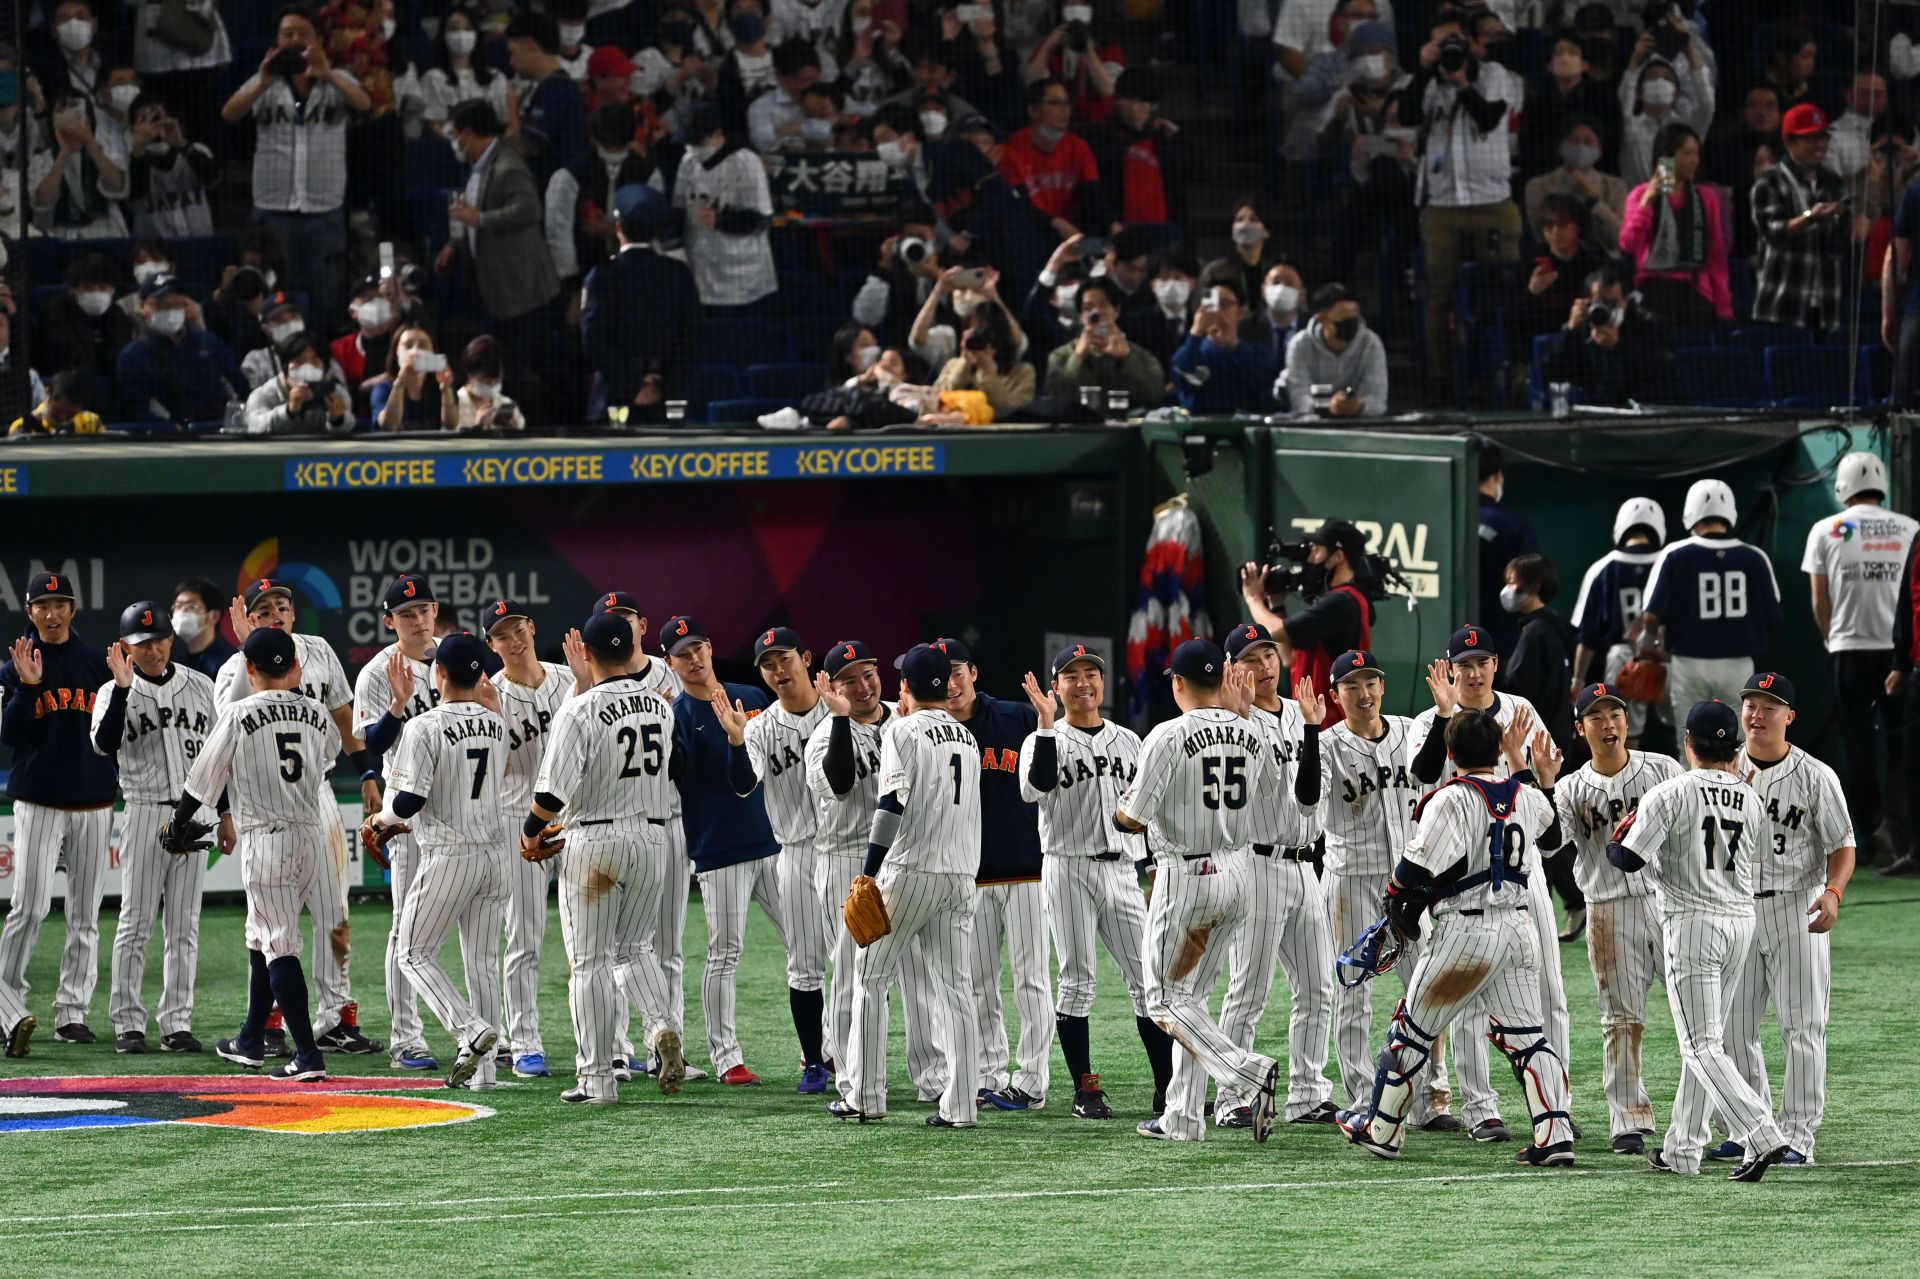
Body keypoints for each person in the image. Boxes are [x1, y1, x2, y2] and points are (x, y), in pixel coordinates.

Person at [1336, 709, 1575, 1166]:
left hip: (1467, 932)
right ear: (1497, 752)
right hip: (1520, 931)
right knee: (1527, 1038)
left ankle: (1381, 1131)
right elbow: (1553, 838)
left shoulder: (1450, 799)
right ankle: (1555, 1135)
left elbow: (1411, 871)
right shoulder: (1524, 795)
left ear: (1449, 753)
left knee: (1411, 1030)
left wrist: (1395, 901)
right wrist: (1531, 772)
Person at [1609, 699, 1792, 1182]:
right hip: (1740, 922)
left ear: (1687, 742)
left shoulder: (1670, 793)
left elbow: (1626, 860)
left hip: (1693, 923)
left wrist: (1617, 838)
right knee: (1706, 1041)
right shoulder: (1751, 798)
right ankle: (1682, 1148)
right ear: (1733, 746)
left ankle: (1760, 1131)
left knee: (1700, 1045)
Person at [1407, 625, 1571, 1143]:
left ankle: (1555, 1107)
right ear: (1450, 668)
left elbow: (1544, 796)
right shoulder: (1431, 718)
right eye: (1465, 662)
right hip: (1463, 885)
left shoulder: (1521, 711)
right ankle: (1482, 1109)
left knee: (1549, 989)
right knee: (1470, 996)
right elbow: (1422, 773)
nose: (1474, 671)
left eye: (1482, 661)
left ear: (1495, 665)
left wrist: (1538, 773)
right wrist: (1441, 716)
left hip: (1526, 879)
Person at [1117, 641, 1281, 1143]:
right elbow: (1273, 796)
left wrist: (1118, 806)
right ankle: (1182, 1117)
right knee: (1194, 997)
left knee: (1163, 1000)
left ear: (1178, 683)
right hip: (1238, 872)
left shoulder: (1168, 734)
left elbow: (1132, 820)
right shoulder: (1254, 730)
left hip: (1188, 878)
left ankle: (1245, 1071)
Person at [213, 577, 381, 1061]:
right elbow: (223, 740)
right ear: (247, 619)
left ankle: (336, 1018)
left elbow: (344, 716)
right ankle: (266, 1024)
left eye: (282, 606)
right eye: (263, 610)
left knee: (334, 911)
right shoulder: (234, 669)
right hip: (261, 803)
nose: (276, 615)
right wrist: (224, 811)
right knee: (267, 921)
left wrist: (367, 772)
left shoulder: (319, 651)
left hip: (316, 794)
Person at [520, 613, 685, 1104]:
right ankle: (660, 1027)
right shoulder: (661, 707)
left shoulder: (580, 709)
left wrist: (529, 833)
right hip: (653, 838)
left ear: (586, 655)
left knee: (590, 963)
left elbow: (551, 794)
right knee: (635, 949)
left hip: (595, 843)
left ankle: (596, 1080)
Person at [1701, 672, 1855, 1167]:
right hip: (1738, 907)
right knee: (1732, 1027)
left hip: (1797, 906)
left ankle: (1798, 1136)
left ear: (1789, 717)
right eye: (1751, 703)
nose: (1757, 714)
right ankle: (1753, 1128)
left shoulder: (1816, 776)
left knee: (1802, 1026)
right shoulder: (1724, 770)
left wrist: (1833, 893)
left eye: (1770, 706)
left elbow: (1844, 846)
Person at [173, 627, 337, 1082]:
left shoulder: (238, 712)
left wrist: (178, 823)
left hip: (267, 839)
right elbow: (329, 756)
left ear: (249, 669)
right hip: (310, 835)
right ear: (296, 668)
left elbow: (201, 778)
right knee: (261, 935)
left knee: (279, 942)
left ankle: (306, 1054)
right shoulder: (319, 713)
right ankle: (250, 1040)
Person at [1016, 645, 1171, 1119]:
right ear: (1055, 686)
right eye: (1072, 675)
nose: (1084, 683)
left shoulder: (1130, 740)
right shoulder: (1043, 738)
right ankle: (1086, 1088)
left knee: (1149, 981)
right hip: (1068, 867)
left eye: (1092, 674)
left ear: (1103, 683)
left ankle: (1167, 1088)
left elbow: (1146, 811)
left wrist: (1150, 869)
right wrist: (1044, 725)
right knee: (1078, 981)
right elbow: (1033, 790)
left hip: (1123, 870)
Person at [830, 644, 982, 1128]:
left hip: (911, 871)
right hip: (960, 877)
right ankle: (961, 1107)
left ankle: (865, 1097)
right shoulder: (966, 738)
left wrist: (869, 870)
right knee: (957, 991)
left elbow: (892, 803)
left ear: (907, 687)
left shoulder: (903, 729)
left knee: (870, 978)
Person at [1317, 648, 1458, 1129]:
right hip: (1349, 880)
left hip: (1409, 882)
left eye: (1370, 682)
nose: (1364, 693)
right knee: (1354, 990)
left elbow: (1436, 773)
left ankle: (1428, 1099)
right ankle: (1362, 1097)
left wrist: (1443, 714)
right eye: (1351, 685)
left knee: (1426, 988)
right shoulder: (1327, 744)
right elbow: (1306, 803)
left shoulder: (1410, 730)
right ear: (1336, 696)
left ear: (1383, 687)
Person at [364, 634, 511, 1092]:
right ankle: (484, 1073)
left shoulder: (424, 725)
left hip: (450, 854)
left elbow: (406, 802)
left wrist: (379, 818)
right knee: (482, 963)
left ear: (440, 673)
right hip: (494, 853)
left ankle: (469, 1030)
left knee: (411, 952)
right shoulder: (498, 724)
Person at [805, 639, 945, 1110]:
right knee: (851, 972)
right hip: (847, 859)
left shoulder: (902, 717)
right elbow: (842, 784)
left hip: (905, 857)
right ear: (830, 686)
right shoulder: (824, 735)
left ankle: (933, 1076)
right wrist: (841, 716)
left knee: (918, 972)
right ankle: (851, 1077)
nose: (862, 686)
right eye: (848, 680)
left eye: (868, 674)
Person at [664, 615, 805, 1085]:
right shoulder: (675, 716)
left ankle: (819, 1050)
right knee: (725, 952)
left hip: (774, 840)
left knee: (806, 945)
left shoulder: (753, 696)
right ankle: (727, 1057)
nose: (694, 657)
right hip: (719, 848)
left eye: (698, 646)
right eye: (683, 653)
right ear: (671, 662)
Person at [1213, 626, 1337, 1129]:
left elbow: (1311, 797)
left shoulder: (1303, 713)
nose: (1264, 665)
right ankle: (1230, 1097)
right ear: (1231, 669)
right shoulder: (1227, 723)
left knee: (1318, 985)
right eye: (1250, 658)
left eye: (1268, 653)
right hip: (1257, 864)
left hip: (1305, 865)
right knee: (1249, 988)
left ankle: (1307, 1093)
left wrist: (1310, 729)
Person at [1552, 683, 1683, 1154]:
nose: (1609, 724)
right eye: (1596, 717)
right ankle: (1627, 1116)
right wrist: (1545, 784)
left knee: (1699, 1012)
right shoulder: (1569, 788)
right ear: (1580, 728)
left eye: (1615, 715)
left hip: (1667, 901)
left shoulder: (1663, 770)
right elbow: (1549, 845)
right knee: (1620, 1019)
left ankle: (1718, 1113)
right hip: (1606, 910)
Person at [924, 637, 1051, 1113]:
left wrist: (1045, 723)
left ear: (973, 673)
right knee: (976, 984)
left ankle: (1033, 1080)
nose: (950, 682)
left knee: (1031, 980)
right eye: (941, 673)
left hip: (1024, 872)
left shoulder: (1015, 718)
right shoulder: (924, 731)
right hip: (965, 878)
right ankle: (989, 1073)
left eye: (956, 671)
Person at [89, 602, 219, 1055]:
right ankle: (128, 1021)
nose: (153, 649)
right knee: (136, 921)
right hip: (145, 811)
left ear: (171, 639)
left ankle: (176, 1022)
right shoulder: (110, 692)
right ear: (126, 646)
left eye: (159, 639)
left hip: (195, 811)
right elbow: (104, 746)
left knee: (184, 924)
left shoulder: (201, 686)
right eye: (142, 643)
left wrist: (226, 813)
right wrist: (124, 691)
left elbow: (218, 756)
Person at [0, 571, 117, 1048]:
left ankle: (72, 1012)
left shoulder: (96, 662)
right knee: (28, 907)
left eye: (60, 604)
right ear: (29, 612)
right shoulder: (16, 664)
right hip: (39, 801)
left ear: (72, 609)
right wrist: (27, 688)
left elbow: (115, 732)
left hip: (93, 802)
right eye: (42, 606)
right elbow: (9, 736)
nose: (52, 614)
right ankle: (7, 1005)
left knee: (85, 914)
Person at [722, 628, 833, 1094]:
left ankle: (861, 1058)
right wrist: (734, 741)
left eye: (784, 658)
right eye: (768, 664)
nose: (778, 670)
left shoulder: (839, 707)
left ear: (805, 658)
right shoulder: (762, 727)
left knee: (865, 965)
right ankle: (815, 1060)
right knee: (805, 965)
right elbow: (744, 784)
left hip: (852, 853)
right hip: (798, 853)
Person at [220, 5, 372, 330]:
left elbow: (364, 103)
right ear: (276, 41)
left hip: (323, 207)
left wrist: (326, 73)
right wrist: (263, 80)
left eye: (302, 33)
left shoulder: (337, 79)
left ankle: (321, 362)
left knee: (325, 297)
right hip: (274, 208)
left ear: (317, 40)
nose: (294, 39)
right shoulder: (265, 83)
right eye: (286, 34)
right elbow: (230, 113)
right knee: (275, 295)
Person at [1402, 6, 1522, 406]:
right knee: (1439, 296)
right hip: (1443, 205)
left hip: (1493, 203)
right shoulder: (1429, 83)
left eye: (1455, 40)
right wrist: (1424, 69)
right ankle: (1441, 380)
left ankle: (1501, 372)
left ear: (1472, 43)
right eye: (1442, 42)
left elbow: (1489, 117)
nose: (1450, 48)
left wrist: (1461, 81)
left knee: (1501, 291)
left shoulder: (1496, 76)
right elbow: (1404, 114)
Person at [350, 575, 446, 1070]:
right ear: (389, 621)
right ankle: (407, 1037)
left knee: (470, 931)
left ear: (435, 611)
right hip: (406, 815)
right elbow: (372, 745)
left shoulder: (456, 658)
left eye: (423, 609)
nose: (416, 619)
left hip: (459, 813)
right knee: (405, 929)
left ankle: (492, 1029)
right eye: (405, 613)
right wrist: (397, 704)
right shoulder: (376, 672)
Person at [1801, 453, 1916, 862]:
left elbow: (1819, 599)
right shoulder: (1910, 529)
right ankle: (1898, 825)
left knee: (1857, 746)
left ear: (1842, 487)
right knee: (1902, 746)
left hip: (1848, 650)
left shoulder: (1825, 530)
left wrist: (1833, 642)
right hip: (1900, 652)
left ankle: (1868, 835)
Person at [437, 100, 562, 424]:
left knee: (520, 364)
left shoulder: (508, 166)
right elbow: (473, 215)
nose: (453, 142)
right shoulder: (480, 167)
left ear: (468, 133)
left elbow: (528, 209)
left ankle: (527, 427)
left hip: (520, 287)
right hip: (495, 285)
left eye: (454, 134)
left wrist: (479, 218)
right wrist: (456, 243)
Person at [483, 602, 565, 1078]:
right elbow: (497, 770)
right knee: (525, 935)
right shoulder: (489, 692)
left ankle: (615, 1044)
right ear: (492, 645)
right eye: (502, 636)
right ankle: (525, 1040)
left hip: (573, 817)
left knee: (593, 939)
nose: (514, 640)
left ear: (532, 628)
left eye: (518, 629)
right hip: (519, 820)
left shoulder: (566, 677)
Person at [1641, 479, 1783, 709]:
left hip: (1689, 664)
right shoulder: (1755, 557)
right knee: (1736, 740)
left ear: (1691, 511)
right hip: (1738, 664)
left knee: (1690, 739)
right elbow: (1773, 619)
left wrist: (1647, 643)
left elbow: (1651, 615)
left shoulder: (1675, 555)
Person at [582, 184, 703, 425]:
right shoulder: (678, 274)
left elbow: (593, 341)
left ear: (618, 228)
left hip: (615, 397)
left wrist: (630, 384)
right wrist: (662, 385)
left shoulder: (603, 275)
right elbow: (693, 339)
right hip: (666, 397)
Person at [1238, 517, 1375, 720]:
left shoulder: (1341, 602)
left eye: (1317, 550)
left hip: (1330, 725)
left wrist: (1253, 599)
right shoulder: (1341, 600)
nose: (1310, 559)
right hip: (1318, 721)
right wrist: (1277, 605)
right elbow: (1289, 658)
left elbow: (1273, 632)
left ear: (1338, 556)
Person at [1569, 497, 1667, 744]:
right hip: (1670, 656)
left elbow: (1587, 636)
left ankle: (1626, 781)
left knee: (1623, 733)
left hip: (1624, 658)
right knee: (1686, 730)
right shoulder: (1672, 560)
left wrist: (1578, 679)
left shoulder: (1603, 567)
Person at [1618, 123, 1732, 330]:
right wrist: (1647, 203)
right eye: (1686, 153)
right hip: (1656, 287)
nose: (1693, 160)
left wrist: (1723, 305)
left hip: (1697, 288)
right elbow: (1628, 244)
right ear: (1667, 155)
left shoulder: (1707, 198)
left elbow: (1715, 254)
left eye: (1696, 154)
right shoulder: (1640, 194)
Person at [1751, 104, 1851, 335]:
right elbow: (1774, 232)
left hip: (1826, 304)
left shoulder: (1832, 181)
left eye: (1823, 137)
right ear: (1789, 142)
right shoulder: (1770, 182)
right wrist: (1810, 217)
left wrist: (1845, 218)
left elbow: (1841, 241)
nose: (1820, 145)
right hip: (1783, 302)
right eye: (1810, 138)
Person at [674, 102, 778, 313]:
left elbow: (762, 218)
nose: (693, 147)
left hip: (741, 275)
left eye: (698, 140)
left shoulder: (747, 162)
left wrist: (721, 221)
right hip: (700, 267)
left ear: (717, 134)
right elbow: (678, 208)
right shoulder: (688, 161)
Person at [115, 273, 246, 426]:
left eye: (176, 304)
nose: (170, 311)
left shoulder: (209, 342)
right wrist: (171, 428)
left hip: (217, 432)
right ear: (143, 307)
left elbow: (240, 388)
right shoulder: (133, 357)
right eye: (161, 305)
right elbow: (135, 411)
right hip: (166, 441)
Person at [1543, 265, 1679, 406]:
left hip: (1640, 403)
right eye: (1601, 302)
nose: (1608, 308)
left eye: (1613, 303)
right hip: (1593, 408)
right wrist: (1569, 331)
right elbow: (1552, 372)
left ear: (1625, 300)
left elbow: (1666, 369)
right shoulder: (1581, 328)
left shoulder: (1648, 322)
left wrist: (1619, 346)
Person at [1084, 67, 1188, 234]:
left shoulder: (1162, 138)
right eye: (1129, 100)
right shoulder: (1100, 137)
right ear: (1118, 101)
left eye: (1142, 101)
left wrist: (1178, 135)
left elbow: (1200, 170)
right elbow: (1092, 189)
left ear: (1153, 105)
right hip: (1120, 228)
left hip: (1162, 228)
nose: (1134, 108)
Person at [997, 77, 1099, 241]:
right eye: (1054, 103)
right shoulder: (1010, 149)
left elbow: (1092, 195)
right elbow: (1018, 205)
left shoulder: (1078, 147)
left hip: (1073, 231)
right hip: (1031, 232)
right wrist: (1055, 223)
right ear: (1033, 110)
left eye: (1067, 104)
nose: (1064, 110)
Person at [1040, 278, 1163, 412]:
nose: (1096, 313)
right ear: (1080, 316)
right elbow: (1055, 398)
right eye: (1088, 308)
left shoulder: (1140, 355)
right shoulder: (1060, 356)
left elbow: (1154, 396)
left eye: (1103, 306)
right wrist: (1078, 357)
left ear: (1116, 311)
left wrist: (1127, 358)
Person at [36, 252, 137, 411]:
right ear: (74, 289)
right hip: (70, 387)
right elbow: (64, 359)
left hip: (111, 387)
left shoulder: (118, 315)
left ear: (112, 289)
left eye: (103, 287)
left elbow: (121, 356)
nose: (96, 293)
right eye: (88, 288)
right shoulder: (56, 314)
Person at [29, 89, 129, 240]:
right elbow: (42, 201)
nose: (70, 118)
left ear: (87, 118)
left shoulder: (106, 151)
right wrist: (63, 153)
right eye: (62, 112)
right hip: (60, 235)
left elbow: (117, 185)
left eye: (75, 112)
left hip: (105, 232)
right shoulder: (42, 159)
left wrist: (89, 142)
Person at [503, 12, 587, 190]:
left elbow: (522, 149)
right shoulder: (557, 86)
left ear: (529, 46)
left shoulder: (554, 90)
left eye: (512, 52)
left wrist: (511, 108)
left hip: (556, 195)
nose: (511, 61)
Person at [1617, 37, 1713, 189]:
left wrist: (1690, 52)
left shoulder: (1685, 129)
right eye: (1653, 77)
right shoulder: (1631, 126)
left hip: (1678, 203)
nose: (1659, 81)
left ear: (1676, 93)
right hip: (1637, 202)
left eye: (1667, 79)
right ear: (1639, 92)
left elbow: (1706, 105)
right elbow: (1624, 99)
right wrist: (1634, 60)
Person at [1524, 117, 1629, 255]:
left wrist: (1593, 200)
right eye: (1573, 141)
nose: (1581, 147)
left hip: (1606, 264)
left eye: (1588, 142)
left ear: (1599, 149)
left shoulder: (1616, 186)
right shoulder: (1537, 186)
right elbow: (1540, 234)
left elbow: (1619, 238)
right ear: (1560, 146)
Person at [1280, 284, 1387, 420]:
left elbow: (1378, 398)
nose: (1351, 327)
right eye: (1343, 321)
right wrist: (1328, 406)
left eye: (1354, 320)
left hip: (1353, 413)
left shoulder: (1371, 343)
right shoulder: (1299, 345)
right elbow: (1299, 398)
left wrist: (1357, 406)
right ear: (1322, 320)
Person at [1520, 34, 1618, 182]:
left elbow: (1611, 143)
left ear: (1585, 64)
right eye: (1558, 53)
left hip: (1593, 177)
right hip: (1547, 177)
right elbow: (1528, 144)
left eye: (1572, 53)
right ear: (1550, 65)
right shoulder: (1536, 99)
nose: (1565, 58)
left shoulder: (1603, 98)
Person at [1169, 279, 1275, 415]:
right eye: (1211, 305)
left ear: (1240, 312)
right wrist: (1196, 331)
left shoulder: (1257, 353)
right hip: (1201, 431)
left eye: (1224, 304)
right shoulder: (1195, 352)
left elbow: (1260, 382)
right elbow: (1181, 374)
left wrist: (1230, 343)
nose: (1217, 311)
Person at [1520, 194, 1610, 348]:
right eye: (1548, 224)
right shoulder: (1531, 267)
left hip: (1590, 344)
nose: (1555, 231)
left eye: (1563, 224)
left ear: (1578, 225)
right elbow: (1516, 327)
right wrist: (1532, 293)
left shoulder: (1596, 265)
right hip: (1548, 347)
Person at [124, 92, 214, 239]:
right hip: (154, 252)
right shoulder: (124, 161)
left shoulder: (196, 150)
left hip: (199, 245)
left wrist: (182, 145)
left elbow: (212, 179)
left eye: (157, 118)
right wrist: (139, 146)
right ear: (132, 128)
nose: (152, 125)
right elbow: (136, 193)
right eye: (144, 120)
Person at [420, 6, 510, 138]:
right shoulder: (432, 78)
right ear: (443, 35)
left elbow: (506, 123)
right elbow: (434, 125)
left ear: (476, 34)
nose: (461, 34)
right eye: (453, 28)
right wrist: (461, 145)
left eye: (468, 28)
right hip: (452, 149)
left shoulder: (496, 77)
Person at [245, 331, 355, 435]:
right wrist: (288, 411)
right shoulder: (262, 395)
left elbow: (348, 429)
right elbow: (255, 428)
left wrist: (338, 420)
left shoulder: (336, 393)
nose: (307, 367)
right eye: (299, 361)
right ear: (285, 367)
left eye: (314, 361)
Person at [1200, 200, 1281, 332]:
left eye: (1253, 220)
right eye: (1239, 220)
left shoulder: (1277, 271)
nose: (1245, 225)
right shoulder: (1214, 272)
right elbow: (1206, 313)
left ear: (1266, 232)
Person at [931, 324, 1037, 419]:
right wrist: (964, 363)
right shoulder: (954, 365)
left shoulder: (1023, 372)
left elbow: (1013, 408)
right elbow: (940, 397)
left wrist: (989, 373)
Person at [371, 326, 457, 432]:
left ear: (433, 352)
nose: (415, 351)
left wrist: (446, 389)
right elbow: (389, 426)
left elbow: (451, 427)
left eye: (422, 345)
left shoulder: (438, 387)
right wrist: (400, 384)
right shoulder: (383, 389)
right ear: (396, 352)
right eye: (408, 345)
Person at [746, 38, 818, 154]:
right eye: (803, 81)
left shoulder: (827, 97)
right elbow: (765, 145)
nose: (809, 86)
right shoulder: (761, 107)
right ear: (780, 76)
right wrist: (796, 129)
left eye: (813, 79)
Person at [169, 577, 235, 680]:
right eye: (178, 606)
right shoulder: (176, 666)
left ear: (214, 616)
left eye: (191, 607)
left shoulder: (228, 665)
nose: (182, 612)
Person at [1828, 69, 1888, 180]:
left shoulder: (1904, 130)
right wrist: (1864, 175)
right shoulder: (1833, 137)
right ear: (1847, 95)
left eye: (1879, 94)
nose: (1872, 100)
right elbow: (1830, 186)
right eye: (1865, 94)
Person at [8, 369, 104, 437]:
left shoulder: (92, 422)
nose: (63, 418)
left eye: (70, 414)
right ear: (48, 393)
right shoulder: (23, 427)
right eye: (57, 411)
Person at [454, 335, 521, 430]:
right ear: (470, 374)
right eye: (487, 382)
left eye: (497, 381)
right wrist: (476, 428)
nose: (492, 385)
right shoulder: (456, 403)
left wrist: (514, 433)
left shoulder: (506, 403)